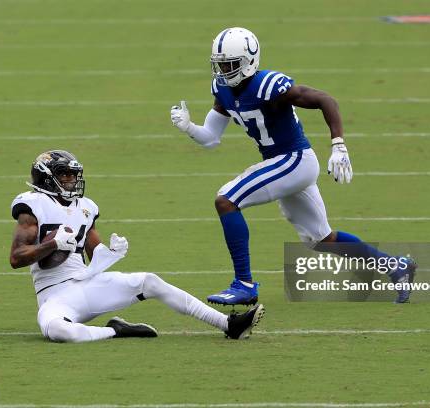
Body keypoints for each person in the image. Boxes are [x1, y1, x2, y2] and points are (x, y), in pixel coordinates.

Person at [170, 27, 415, 305]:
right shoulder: (223, 89)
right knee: (321, 239)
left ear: (249, 61)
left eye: (230, 64)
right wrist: (189, 127)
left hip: (294, 160)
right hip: (283, 164)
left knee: (226, 200)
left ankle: (244, 284)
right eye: (220, 64)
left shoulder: (269, 85)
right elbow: (211, 138)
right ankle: (395, 266)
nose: (224, 71)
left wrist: (338, 145)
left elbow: (326, 100)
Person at [9, 150, 265, 343]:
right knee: (58, 331)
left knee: (149, 281)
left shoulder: (85, 207)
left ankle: (228, 324)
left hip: (85, 286)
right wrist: (52, 244)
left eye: (74, 175)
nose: (72, 180)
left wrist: (109, 253)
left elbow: (93, 251)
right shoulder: (33, 205)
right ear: (46, 178)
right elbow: (16, 258)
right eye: (65, 175)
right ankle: (115, 331)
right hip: (54, 296)